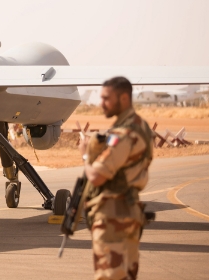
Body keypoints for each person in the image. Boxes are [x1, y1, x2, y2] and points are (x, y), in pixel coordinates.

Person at [78, 77, 154, 280]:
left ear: (124, 98)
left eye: (106, 98)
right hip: (130, 212)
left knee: (110, 276)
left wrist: (85, 155)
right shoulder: (142, 126)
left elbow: (96, 177)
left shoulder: (124, 133)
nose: (101, 103)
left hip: (113, 218)